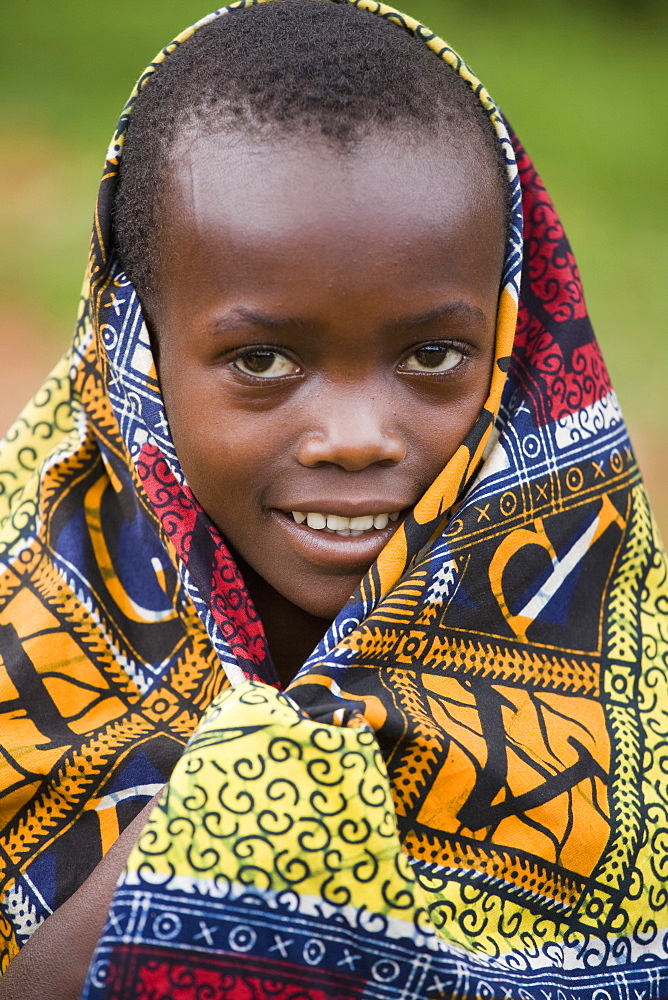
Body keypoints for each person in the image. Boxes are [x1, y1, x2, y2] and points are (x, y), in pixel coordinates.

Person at [0, 1, 666, 997]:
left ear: (513, 338)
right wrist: (207, 831)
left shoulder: (623, 717)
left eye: (432, 354)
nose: (356, 437)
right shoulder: (23, 644)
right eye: (261, 359)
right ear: (136, 353)